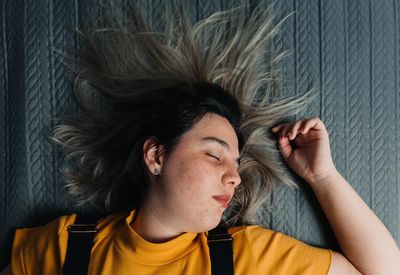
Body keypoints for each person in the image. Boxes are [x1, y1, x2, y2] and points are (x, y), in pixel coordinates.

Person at [1, 2, 399, 274]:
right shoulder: (64, 247)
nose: (235, 177)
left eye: (236, 163)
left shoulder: (246, 256)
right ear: (156, 155)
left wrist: (323, 176)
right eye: (215, 155)